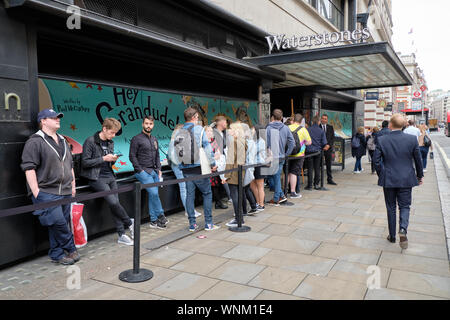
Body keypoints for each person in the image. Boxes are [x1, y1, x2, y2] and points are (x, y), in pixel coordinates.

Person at [21, 108, 80, 265]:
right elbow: (29, 168)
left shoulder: (63, 140)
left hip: (66, 190)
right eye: (53, 117)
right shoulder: (35, 141)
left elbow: (70, 165)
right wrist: (36, 192)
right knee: (58, 222)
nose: (57, 119)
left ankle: (57, 253)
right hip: (46, 191)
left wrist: (73, 185)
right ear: (43, 121)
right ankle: (71, 247)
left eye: (58, 117)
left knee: (57, 224)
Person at [374, 114, 424, 249]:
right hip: (406, 178)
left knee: (390, 207)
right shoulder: (412, 139)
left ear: (390, 125)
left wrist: (382, 174)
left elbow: (376, 161)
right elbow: (418, 160)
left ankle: (392, 236)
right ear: (403, 125)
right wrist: (420, 176)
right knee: (405, 206)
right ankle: (403, 229)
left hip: (389, 178)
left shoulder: (382, 139)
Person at [81, 118, 134, 245]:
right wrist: (104, 158)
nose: (113, 136)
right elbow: (85, 162)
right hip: (96, 177)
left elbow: (109, 161)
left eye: (115, 133)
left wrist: (113, 159)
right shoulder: (90, 141)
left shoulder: (110, 142)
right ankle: (129, 222)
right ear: (104, 129)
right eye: (112, 132)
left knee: (115, 204)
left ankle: (121, 234)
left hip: (110, 175)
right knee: (113, 202)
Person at [176, 107, 220, 232]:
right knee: (207, 193)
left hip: (185, 168)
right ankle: (209, 223)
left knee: (190, 195)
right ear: (195, 117)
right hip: (199, 167)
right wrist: (212, 164)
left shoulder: (179, 132)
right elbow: (207, 148)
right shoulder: (199, 130)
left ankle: (192, 224)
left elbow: (176, 152)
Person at [129, 116, 169, 230]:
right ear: (142, 124)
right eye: (146, 123)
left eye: (150, 124)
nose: (148, 126)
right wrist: (140, 170)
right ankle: (161, 215)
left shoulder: (154, 139)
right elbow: (132, 156)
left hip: (154, 171)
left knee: (153, 195)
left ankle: (153, 221)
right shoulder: (136, 139)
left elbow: (157, 156)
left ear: (153, 125)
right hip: (142, 172)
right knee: (154, 193)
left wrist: (159, 169)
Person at [168, 124, 202, 218]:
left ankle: (190, 210)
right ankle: (189, 211)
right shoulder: (175, 140)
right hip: (178, 166)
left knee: (186, 188)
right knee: (184, 188)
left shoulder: (176, 139)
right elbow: (172, 156)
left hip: (180, 166)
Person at [266, 109, 295, 205]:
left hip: (271, 157)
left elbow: (265, 143)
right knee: (275, 176)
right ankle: (280, 196)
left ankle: (277, 198)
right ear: (282, 118)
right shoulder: (286, 128)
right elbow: (292, 143)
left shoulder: (268, 128)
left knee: (275, 177)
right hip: (281, 156)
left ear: (273, 117)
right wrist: (287, 154)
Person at [225, 122, 249, 227]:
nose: (228, 131)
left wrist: (226, 175)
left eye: (230, 129)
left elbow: (230, 161)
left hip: (234, 172)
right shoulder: (242, 141)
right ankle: (240, 218)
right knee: (238, 195)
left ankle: (238, 219)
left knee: (234, 196)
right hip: (240, 171)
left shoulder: (234, 142)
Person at [288, 113, 312, 198]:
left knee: (287, 172)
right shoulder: (303, 129)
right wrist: (303, 142)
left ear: (293, 119)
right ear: (301, 121)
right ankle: (293, 192)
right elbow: (309, 142)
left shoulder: (287, 128)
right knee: (294, 173)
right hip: (299, 154)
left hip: (288, 154)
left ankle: (283, 191)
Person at [305, 115, 327, 190]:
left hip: (309, 151)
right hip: (318, 151)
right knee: (317, 168)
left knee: (310, 168)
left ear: (312, 122)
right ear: (318, 122)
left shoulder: (308, 130)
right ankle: (316, 184)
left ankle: (309, 185)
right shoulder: (321, 131)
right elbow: (324, 142)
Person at [250, 124, 267, 211]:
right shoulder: (253, 140)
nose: (251, 131)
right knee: (253, 185)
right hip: (253, 165)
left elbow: (253, 151)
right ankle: (258, 202)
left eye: (252, 129)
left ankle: (261, 204)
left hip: (260, 165)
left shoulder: (260, 141)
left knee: (260, 186)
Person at [320, 114, 337, 185]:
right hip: (320, 149)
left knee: (328, 165)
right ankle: (318, 180)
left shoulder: (330, 127)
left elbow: (332, 138)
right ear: (321, 119)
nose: (324, 120)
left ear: (327, 120)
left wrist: (328, 145)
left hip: (328, 149)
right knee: (319, 165)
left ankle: (329, 179)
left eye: (325, 119)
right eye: (323, 118)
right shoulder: (318, 127)